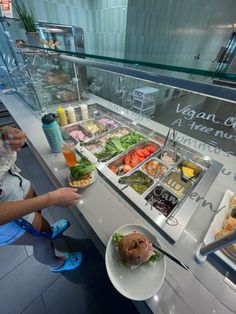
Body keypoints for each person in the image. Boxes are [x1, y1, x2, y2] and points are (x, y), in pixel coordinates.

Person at [0, 126, 82, 272]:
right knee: (41, 240)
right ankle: (56, 264)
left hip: (10, 183)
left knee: (39, 218)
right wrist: (51, 198)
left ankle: (48, 230)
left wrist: (4, 132)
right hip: (6, 217)